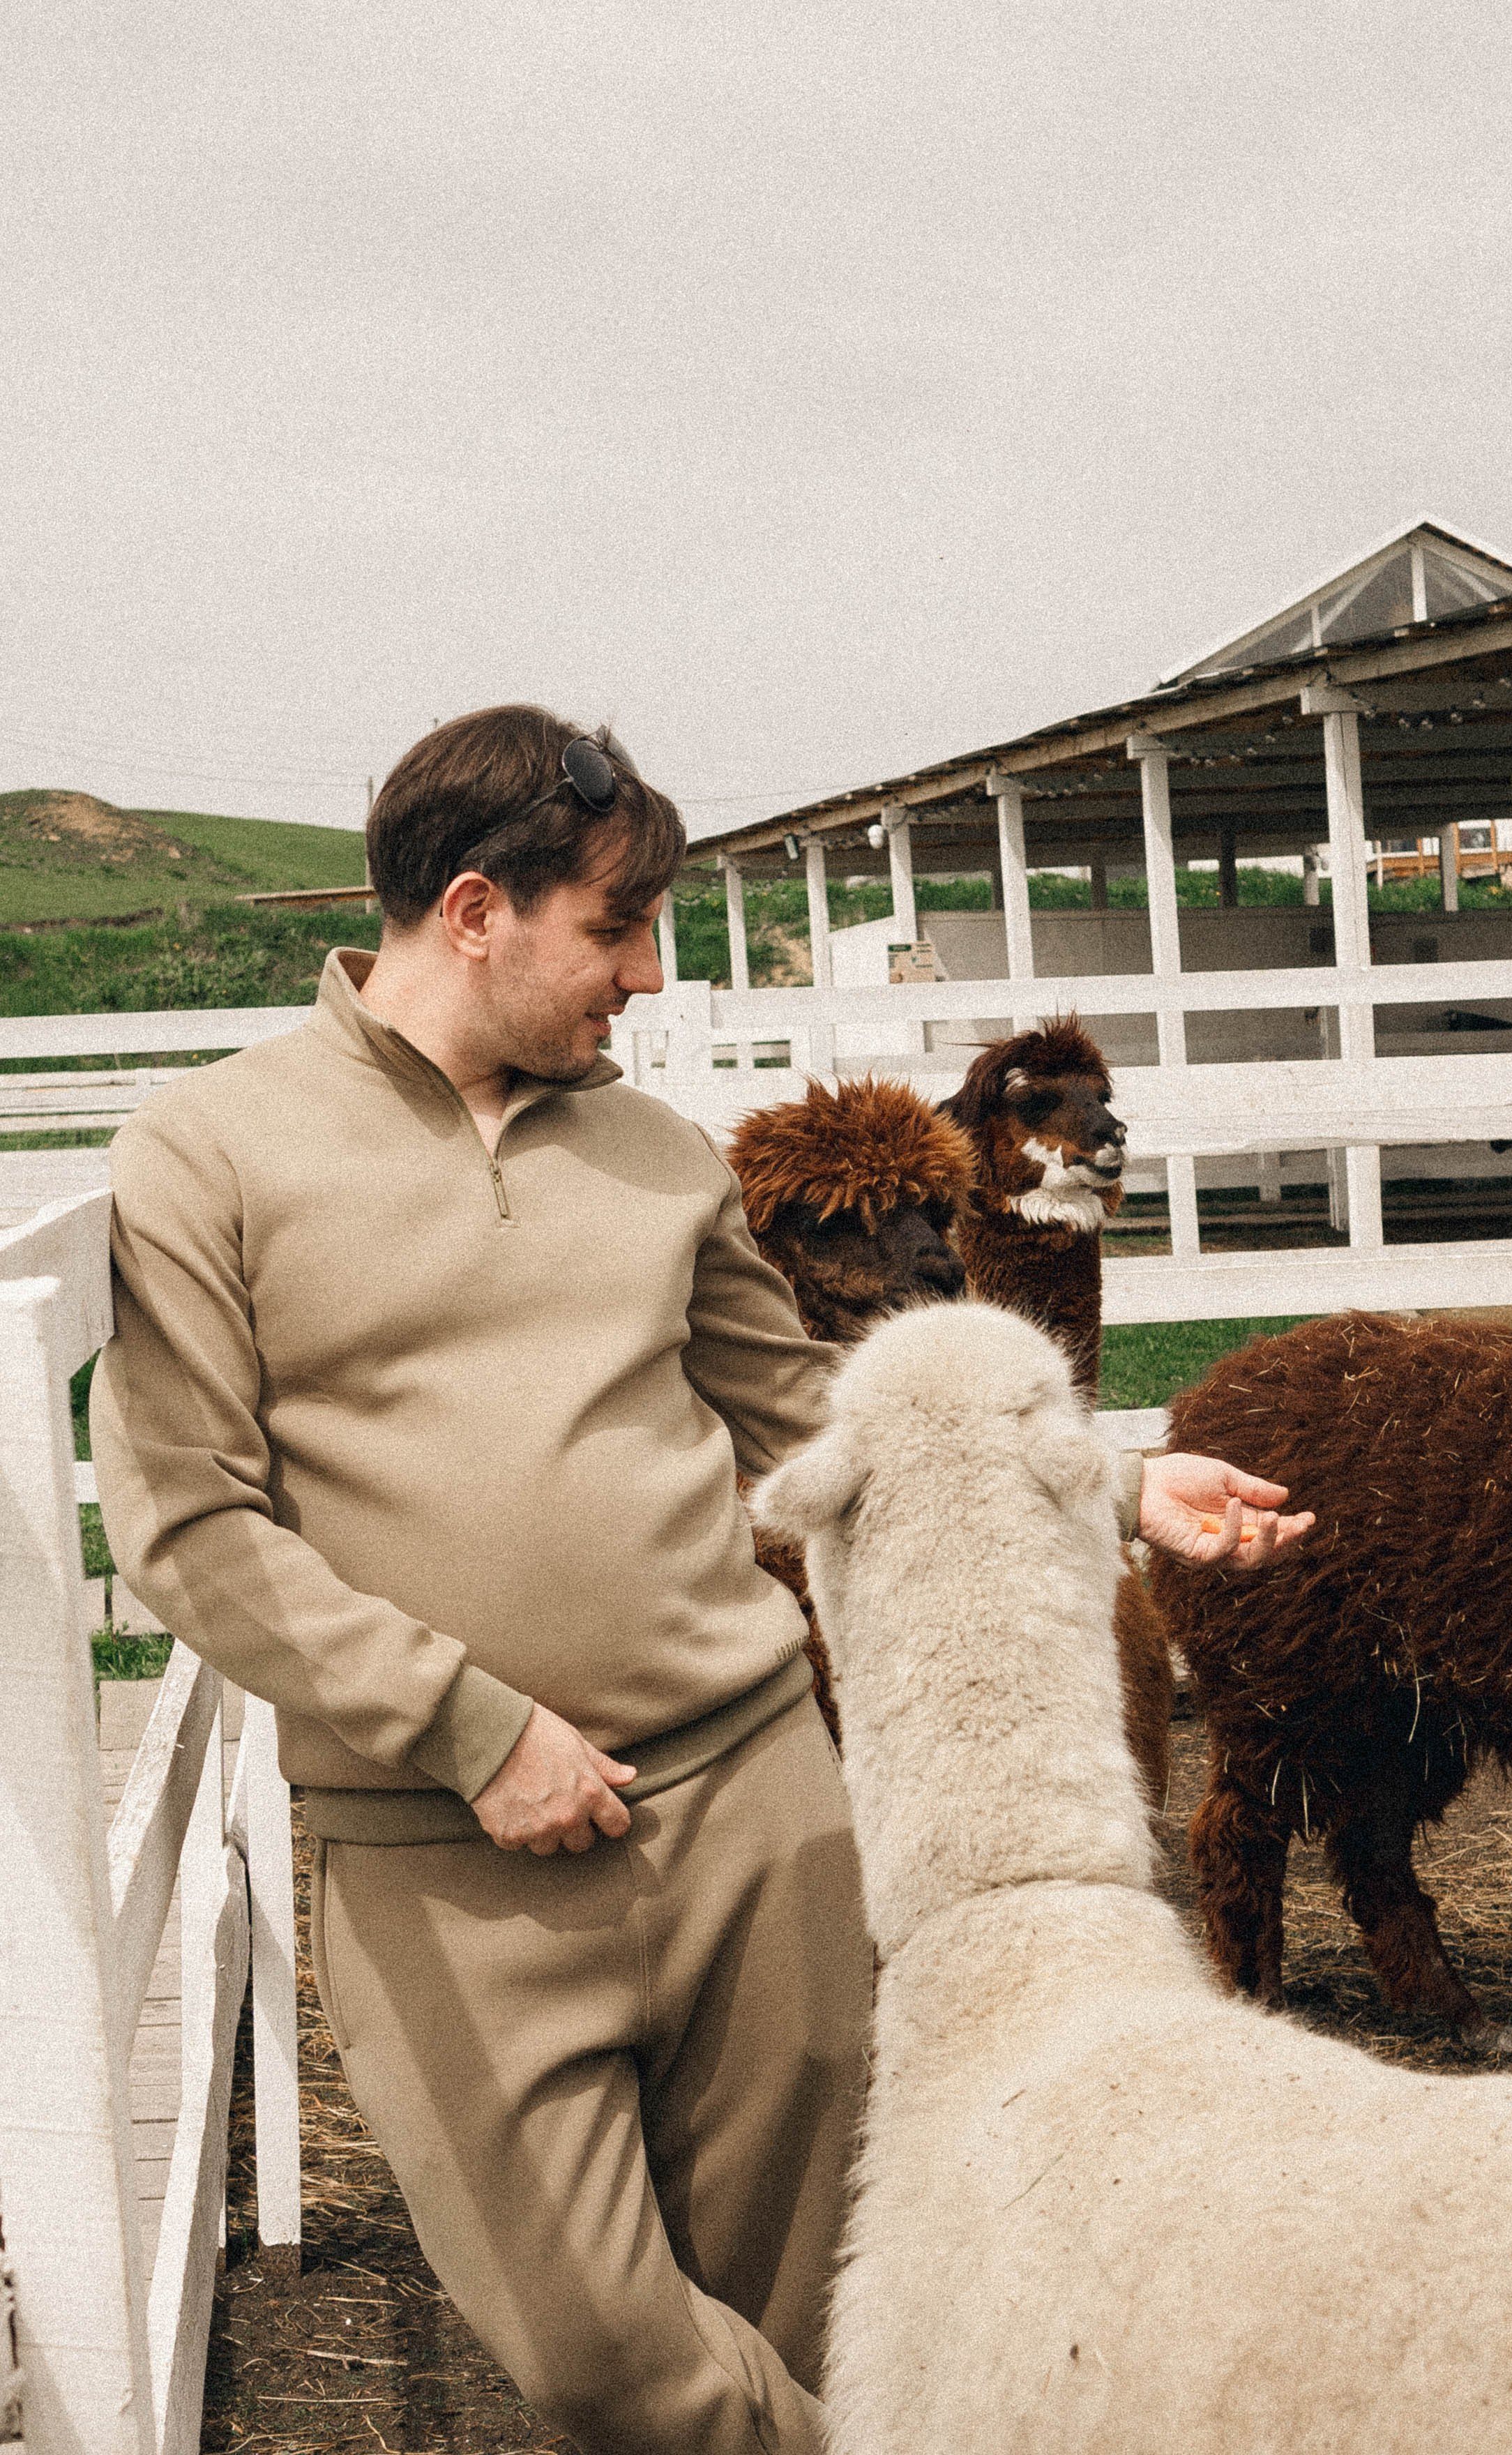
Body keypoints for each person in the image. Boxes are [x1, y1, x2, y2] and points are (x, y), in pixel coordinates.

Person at [90, 703, 1313, 2455]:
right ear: (474, 909)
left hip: (753, 1804)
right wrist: (467, 1725)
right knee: (602, 2354)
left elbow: (824, 1407)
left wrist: (1114, 1478)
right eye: (616, 924)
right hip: (450, 1849)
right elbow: (191, 1523)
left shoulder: (656, 1158)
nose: (649, 974)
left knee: (812, 2302)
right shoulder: (209, 1152)